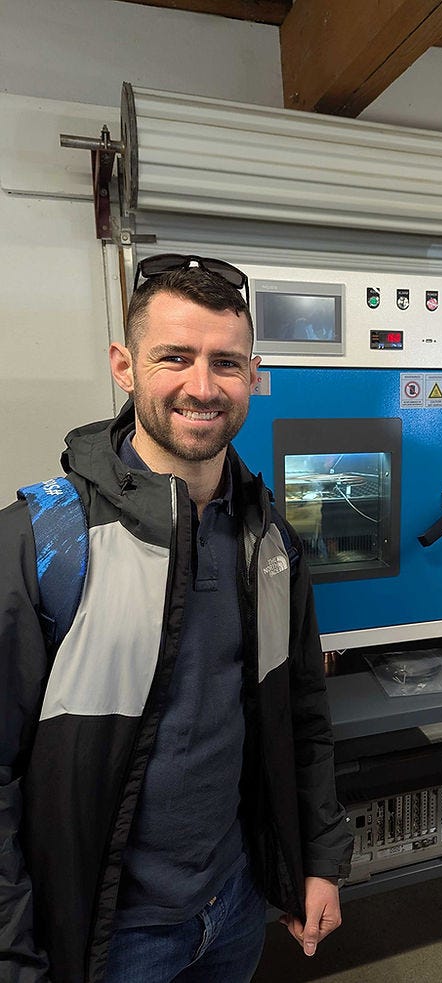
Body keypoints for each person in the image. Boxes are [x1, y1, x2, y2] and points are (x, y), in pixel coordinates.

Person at [0, 254, 354, 983]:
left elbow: (302, 718)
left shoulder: (271, 540)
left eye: (226, 362)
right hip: (109, 937)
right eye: (175, 357)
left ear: (252, 375)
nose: (202, 385)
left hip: (233, 907)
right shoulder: (41, 543)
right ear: (124, 365)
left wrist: (318, 860)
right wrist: (15, 956)